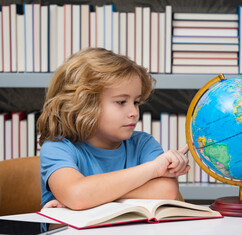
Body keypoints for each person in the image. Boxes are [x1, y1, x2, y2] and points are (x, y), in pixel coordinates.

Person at [38, 48, 190, 210]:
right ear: (85, 104)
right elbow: (77, 194)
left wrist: (92, 196)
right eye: (121, 102)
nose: (134, 113)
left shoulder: (143, 144)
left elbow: (166, 190)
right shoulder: (57, 147)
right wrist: (153, 169)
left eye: (136, 102)